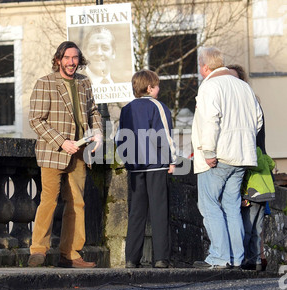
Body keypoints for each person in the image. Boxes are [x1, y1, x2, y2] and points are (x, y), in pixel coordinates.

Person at [28, 41, 103, 268]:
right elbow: (36, 120)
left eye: (75, 58)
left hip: (80, 153)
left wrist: (98, 132)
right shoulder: (45, 83)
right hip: (53, 152)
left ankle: (70, 254)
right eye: (67, 58)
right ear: (59, 59)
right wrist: (62, 142)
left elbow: (93, 111)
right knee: (48, 201)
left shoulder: (84, 83)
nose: (71, 62)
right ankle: (38, 251)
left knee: (77, 203)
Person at [191, 47, 263, 269]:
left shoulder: (209, 86)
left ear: (205, 67)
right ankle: (236, 258)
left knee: (209, 205)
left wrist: (209, 152)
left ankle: (219, 257)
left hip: (218, 155)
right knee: (231, 207)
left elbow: (210, 120)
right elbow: (258, 120)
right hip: (243, 155)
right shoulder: (244, 87)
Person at [115, 69, 176, 268]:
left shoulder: (126, 109)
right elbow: (164, 137)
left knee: (136, 213)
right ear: (150, 88)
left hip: (135, 167)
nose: (159, 89)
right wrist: (172, 160)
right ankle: (160, 258)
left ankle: (132, 259)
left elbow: (120, 139)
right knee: (159, 212)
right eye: (157, 85)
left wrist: (127, 160)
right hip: (156, 165)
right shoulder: (158, 106)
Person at [227, 64, 275, 271]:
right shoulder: (251, 104)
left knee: (249, 222)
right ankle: (253, 260)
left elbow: (255, 143)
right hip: (259, 170)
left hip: (250, 169)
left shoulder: (246, 105)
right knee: (254, 223)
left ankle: (248, 259)